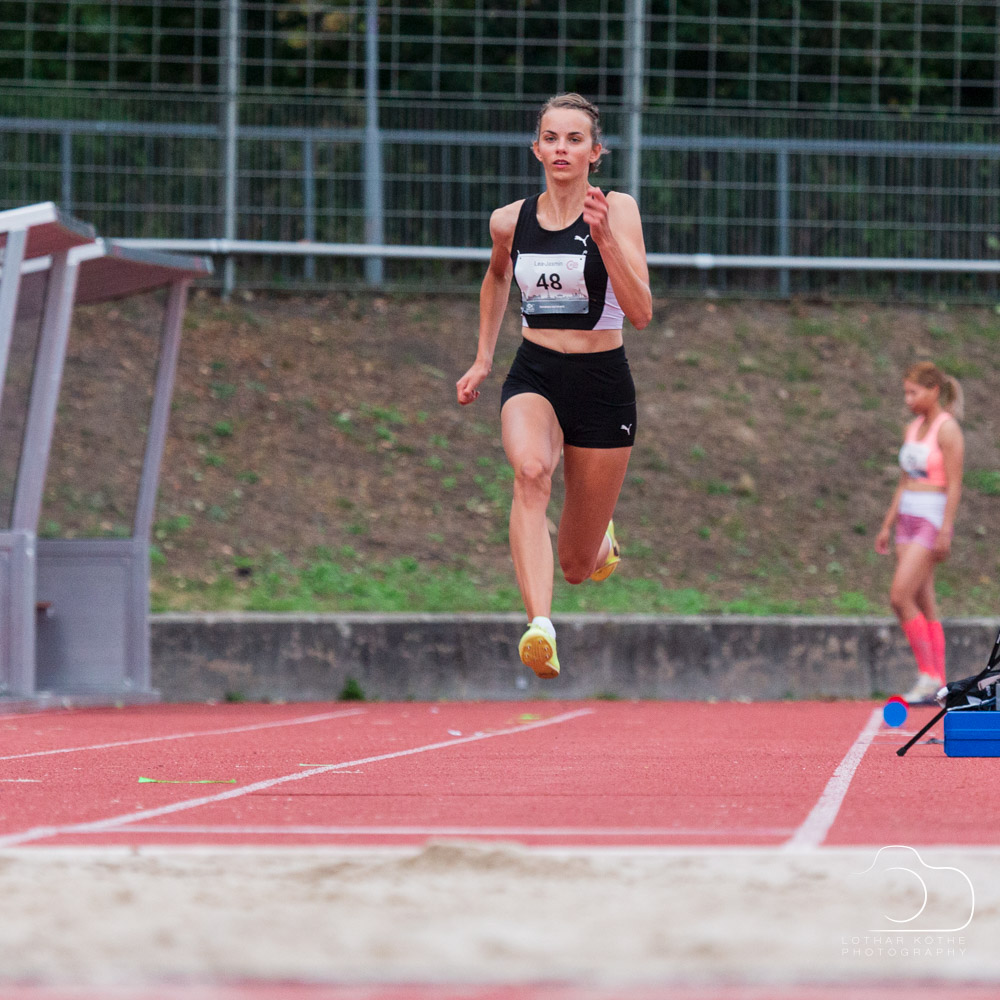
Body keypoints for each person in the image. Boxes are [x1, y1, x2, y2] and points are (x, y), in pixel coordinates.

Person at [455, 93, 652, 678]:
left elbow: (642, 313)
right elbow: (496, 278)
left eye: (574, 139)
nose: (561, 148)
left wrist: (605, 238)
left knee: (576, 564)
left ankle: (600, 543)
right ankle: (540, 625)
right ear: (536, 148)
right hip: (535, 373)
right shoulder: (509, 221)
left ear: (595, 152)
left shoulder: (618, 210)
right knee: (530, 472)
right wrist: (483, 358)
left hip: (602, 384)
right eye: (551, 138)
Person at [875, 361, 965, 704]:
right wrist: (887, 524)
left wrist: (945, 529)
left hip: (931, 517)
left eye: (914, 393)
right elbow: (904, 481)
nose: (908, 399)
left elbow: (954, 484)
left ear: (933, 391)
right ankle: (937, 681)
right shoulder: (911, 429)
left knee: (900, 596)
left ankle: (928, 675)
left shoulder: (947, 430)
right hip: (907, 519)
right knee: (924, 599)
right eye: (906, 393)